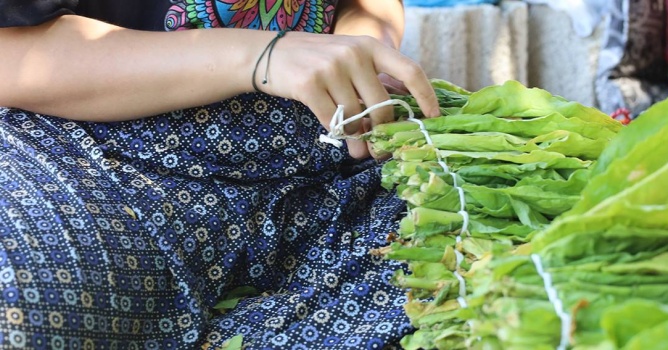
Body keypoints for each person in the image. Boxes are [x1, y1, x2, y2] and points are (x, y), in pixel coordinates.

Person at [0, 0, 440, 348]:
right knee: (22, 314)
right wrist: (263, 55)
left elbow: (367, 4)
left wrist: (361, 50)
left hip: (318, 163)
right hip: (94, 161)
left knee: (456, 290)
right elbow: (12, 54)